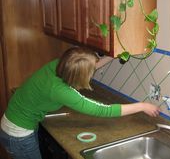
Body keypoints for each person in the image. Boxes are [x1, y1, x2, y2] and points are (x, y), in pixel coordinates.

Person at [0, 46, 161, 159]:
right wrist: (142, 106)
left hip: (14, 123)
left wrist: (113, 55)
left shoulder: (59, 66)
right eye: (90, 72)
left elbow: (84, 66)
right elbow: (103, 110)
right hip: (18, 135)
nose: (92, 73)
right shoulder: (61, 91)